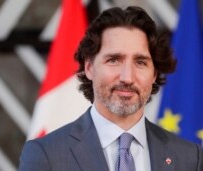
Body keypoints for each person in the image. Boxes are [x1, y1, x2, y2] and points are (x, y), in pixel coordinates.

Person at [19, 6, 203, 171]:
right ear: (89, 67)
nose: (127, 78)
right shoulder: (46, 155)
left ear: (154, 73)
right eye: (114, 60)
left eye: (140, 62)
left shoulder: (189, 157)